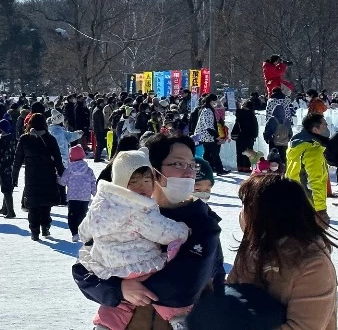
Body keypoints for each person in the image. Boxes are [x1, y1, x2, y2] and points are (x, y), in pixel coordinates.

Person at [73, 135, 226, 330]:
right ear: (153, 170)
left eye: (191, 165)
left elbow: (184, 286)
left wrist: (119, 285)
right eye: (178, 164)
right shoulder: (121, 214)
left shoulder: (203, 225)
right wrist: (119, 289)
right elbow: (83, 270)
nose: (188, 173)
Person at [79, 150, 191, 329]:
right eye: (134, 182)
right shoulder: (138, 209)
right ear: (122, 184)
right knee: (160, 289)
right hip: (139, 263)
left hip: (109, 267)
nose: (142, 187)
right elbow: (162, 231)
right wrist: (183, 231)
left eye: (147, 181)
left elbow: (85, 229)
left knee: (120, 304)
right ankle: (177, 318)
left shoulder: (101, 204)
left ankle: (105, 325)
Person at [220, 174, 338, 330]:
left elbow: (304, 326)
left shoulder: (313, 264)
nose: (241, 213)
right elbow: (232, 291)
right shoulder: (252, 245)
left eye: (246, 206)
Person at [15, 113, 66, 240]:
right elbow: (58, 160)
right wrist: (63, 175)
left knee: (33, 204)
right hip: (48, 175)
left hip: (31, 176)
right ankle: (45, 227)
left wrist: (14, 176)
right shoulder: (50, 139)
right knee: (45, 203)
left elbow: (17, 160)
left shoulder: (24, 139)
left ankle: (34, 231)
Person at [286, 112, 331, 225]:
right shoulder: (313, 149)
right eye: (324, 125)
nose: (327, 128)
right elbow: (314, 181)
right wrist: (320, 210)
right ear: (315, 130)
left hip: (292, 197)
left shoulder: (297, 145)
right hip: (308, 204)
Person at [59, 144, 97, 242]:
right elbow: (93, 183)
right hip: (85, 197)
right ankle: (82, 232)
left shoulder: (69, 170)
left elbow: (63, 182)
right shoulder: (89, 170)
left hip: (73, 197)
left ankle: (75, 233)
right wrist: (95, 194)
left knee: (72, 216)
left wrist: (57, 178)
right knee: (82, 215)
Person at [194, 94, 227, 175]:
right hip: (208, 136)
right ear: (212, 101)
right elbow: (208, 126)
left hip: (206, 136)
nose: (216, 102)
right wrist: (216, 136)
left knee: (207, 154)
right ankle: (219, 170)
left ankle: (209, 169)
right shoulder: (207, 111)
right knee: (214, 153)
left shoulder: (208, 109)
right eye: (215, 100)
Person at [0, 118, 18, 219]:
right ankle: (5, 208)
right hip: (12, 166)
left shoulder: (2, 140)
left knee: (6, 188)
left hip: (4, 166)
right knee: (9, 186)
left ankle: (10, 211)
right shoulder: (13, 138)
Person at [231, 100, 259, 172]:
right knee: (248, 152)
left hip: (240, 136)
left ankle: (240, 167)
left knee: (239, 151)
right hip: (249, 136)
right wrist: (255, 135)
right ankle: (246, 167)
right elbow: (255, 127)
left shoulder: (239, 114)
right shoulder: (251, 115)